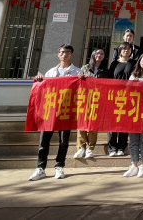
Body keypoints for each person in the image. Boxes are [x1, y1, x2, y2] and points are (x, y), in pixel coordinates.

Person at [28, 44, 82, 181]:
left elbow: (82, 91)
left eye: (67, 52)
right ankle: (40, 168)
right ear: (58, 54)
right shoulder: (51, 72)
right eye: (62, 52)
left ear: (71, 54)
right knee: (44, 141)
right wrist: (39, 81)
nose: (64, 55)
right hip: (50, 111)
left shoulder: (77, 72)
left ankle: (59, 166)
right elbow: (43, 91)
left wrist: (83, 80)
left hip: (66, 111)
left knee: (63, 141)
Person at [74, 48, 107, 159]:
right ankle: (81, 147)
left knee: (93, 124)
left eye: (102, 53)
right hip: (84, 99)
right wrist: (80, 78)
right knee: (81, 123)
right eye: (97, 53)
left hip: (97, 100)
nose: (99, 55)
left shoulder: (105, 71)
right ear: (93, 54)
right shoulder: (85, 68)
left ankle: (90, 148)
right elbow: (78, 82)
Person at [108, 42, 135, 157]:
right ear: (120, 51)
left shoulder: (134, 63)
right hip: (115, 96)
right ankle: (112, 147)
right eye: (124, 49)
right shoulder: (114, 63)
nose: (126, 51)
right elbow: (109, 79)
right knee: (113, 122)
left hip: (128, 96)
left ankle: (121, 147)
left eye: (128, 49)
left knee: (125, 121)